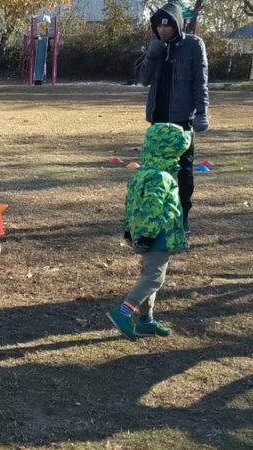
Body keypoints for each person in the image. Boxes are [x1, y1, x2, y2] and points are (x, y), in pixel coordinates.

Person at [107, 123, 192, 341]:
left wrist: (129, 230)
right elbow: (153, 207)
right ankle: (124, 311)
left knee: (148, 275)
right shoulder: (162, 177)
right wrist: (148, 235)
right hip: (157, 235)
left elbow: (131, 203)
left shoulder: (143, 172)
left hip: (144, 234)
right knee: (154, 278)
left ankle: (145, 321)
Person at [137, 1, 209, 233]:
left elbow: (200, 82)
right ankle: (157, 214)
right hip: (158, 120)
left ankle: (182, 217)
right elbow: (143, 79)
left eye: (166, 26)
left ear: (177, 25)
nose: (162, 30)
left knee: (183, 171)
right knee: (156, 171)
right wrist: (151, 55)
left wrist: (201, 112)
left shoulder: (194, 45)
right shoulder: (156, 46)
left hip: (181, 121)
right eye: (158, 26)